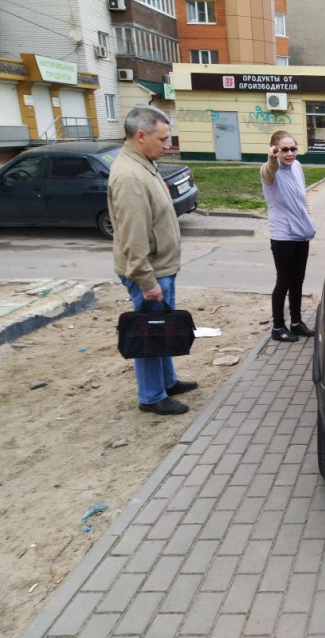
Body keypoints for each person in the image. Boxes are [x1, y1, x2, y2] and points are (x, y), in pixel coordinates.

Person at [109, 106, 197, 416]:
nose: (167, 144)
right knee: (149, 333)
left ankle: (167, 381)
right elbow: (133, 237)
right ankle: (151, 396)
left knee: (161, 329)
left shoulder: (143, 163)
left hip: (160, 269)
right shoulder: (130, 176)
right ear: (141, 135)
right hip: (150, 273)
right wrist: (147, 282)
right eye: (162, 139)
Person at [261, 131, 316, 343]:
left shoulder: (297, 166)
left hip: (301, 232)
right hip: (283, 235)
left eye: (293, 148)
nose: (290, 153)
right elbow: (270, 168)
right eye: (284, 149)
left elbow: (302, 196)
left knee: (298, 280)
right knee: (283, 281)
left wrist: (309, 219)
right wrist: (272, 158)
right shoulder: (269, 172)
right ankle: (277, 326)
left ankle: (296, 322)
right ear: (275, 150)